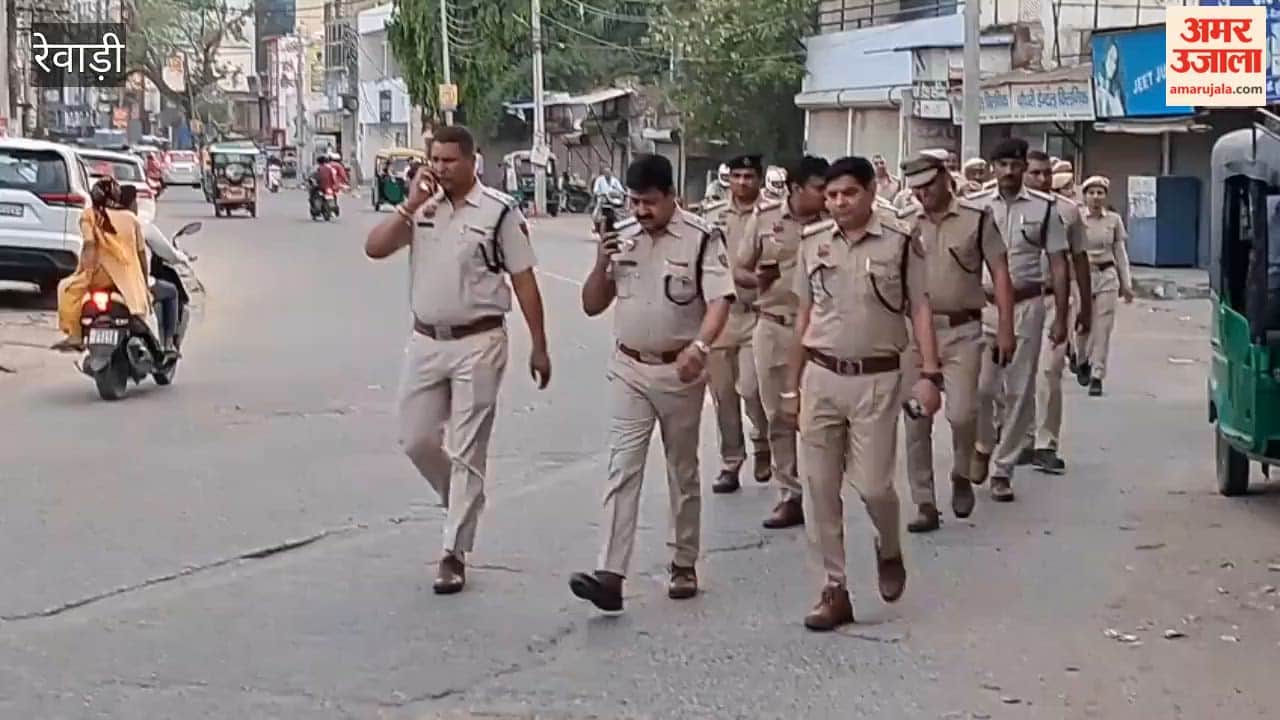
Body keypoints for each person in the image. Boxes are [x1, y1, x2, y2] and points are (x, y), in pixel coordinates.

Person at [364, 124, 552, 595]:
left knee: (469, 448)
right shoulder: (421, 210)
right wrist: (409, 204)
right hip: (426, 340)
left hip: (480, 341)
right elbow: (375, 248)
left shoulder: (498, 213)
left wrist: (540, 345)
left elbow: (525, 281)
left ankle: (453, 552)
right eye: (435, 160)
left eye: (450, 161)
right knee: (416, 439)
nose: (441, 169)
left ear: (473, 161)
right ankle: (463, 500)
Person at [783, 156, 943, 631]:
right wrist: (791, 389)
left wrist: (930, 374)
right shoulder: (813, 244)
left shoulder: (899, 242)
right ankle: (833, 590)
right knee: (819, 489)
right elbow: (803, 316)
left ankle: (888, 547)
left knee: (874, 487)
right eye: (830, 195)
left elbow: (919, 309)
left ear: (871, 192)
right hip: (821, 377)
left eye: (848, 194)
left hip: (876, 378)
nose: (838, 203)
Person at [568, 154, 733, 612]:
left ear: (671, 197)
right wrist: (600, 264)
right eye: (634, 202)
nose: (640, 211)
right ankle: (610, 574)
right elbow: (591, 305)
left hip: (679, 371)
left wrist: (699, 347)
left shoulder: (702, 238)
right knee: (623, 467)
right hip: (629, 368)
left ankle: (683, 562)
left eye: (649, 203)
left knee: (682, 468)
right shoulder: (621, 238)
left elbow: (720, 302)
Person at [898, 151, 1015, 533]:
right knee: (916, 423)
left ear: (946, 178)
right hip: (915, 334)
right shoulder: (905, 225)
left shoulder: (976, 220)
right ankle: (925, 502)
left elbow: (999, 273)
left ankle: (962, 473)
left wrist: (1007, 327)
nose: (922, 195)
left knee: (963, 413)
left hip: (963, 331)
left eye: (929, 185)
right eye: (915, 189)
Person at [968, 138, 1070, 502]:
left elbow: (1059, 262)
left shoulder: (1045, 209)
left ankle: (1002, 469)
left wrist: (1062, 317)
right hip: (985, 306)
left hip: (1028, 305)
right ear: (993, 168)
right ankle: (982, 442)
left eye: (1016, 165)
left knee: (1020, 390)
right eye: (1003, 165)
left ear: (1023, 167)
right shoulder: (975, 206)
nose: (1009, 172)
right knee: (980, 387)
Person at [733, 155, 829, 529]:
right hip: (774, 326)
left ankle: (824, 492)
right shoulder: (766, 219)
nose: (826, 196)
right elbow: (739, 268)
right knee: (776, 413)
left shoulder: (833, 222)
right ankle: (789, 494)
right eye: (819, 189)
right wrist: (756, 277)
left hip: (820, 331)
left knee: (818, 418)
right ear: (795, 189)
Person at [701, 154, 772, 493]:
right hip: (720, 316)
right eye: (737, 176)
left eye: (749, 176)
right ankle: (731, 462)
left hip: (757, 313)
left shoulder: (773, 215)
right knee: (723, 395)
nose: (743, 182)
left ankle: (762, 442)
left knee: (753, 389)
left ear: (760, 179)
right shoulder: (711, 216)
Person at [1022, 152, 1093, 474]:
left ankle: (1045, 443)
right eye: (1035, 173)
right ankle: (1016, 436)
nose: (1042, 180)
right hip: (1013, 302)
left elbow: (1080, 261)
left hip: (1055, 300)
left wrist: (1084, 309)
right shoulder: (999, 209)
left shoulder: (1067, 211)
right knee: (1010, 376)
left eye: (1046, 174)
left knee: (1048, 371)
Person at [54, 178, 151, 351]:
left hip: (99, 276)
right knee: (141, 312)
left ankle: (75, 335)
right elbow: (141, 255)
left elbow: (89, 245)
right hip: (129, 281)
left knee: (65, 288)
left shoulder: (89, 215)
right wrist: (143, 282)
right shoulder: (130, 218)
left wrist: (85, 273)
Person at [1077, 175, 1133, 396]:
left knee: (1103, 328)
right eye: (1091, 192)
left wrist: (1126, 283)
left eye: (1100, 193)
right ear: (1085, 195)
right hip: (1082, 276)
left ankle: (1097, 374)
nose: (1096, 197)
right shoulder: (1077, 219)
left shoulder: (1114, 220)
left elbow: (1120, 252)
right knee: (1082, 325)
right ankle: (1081, 359)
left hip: (1107, 275)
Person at [118, 185, 189, 352]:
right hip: (135, 283)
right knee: (171, 291)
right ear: (132, 203)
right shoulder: (140, 225)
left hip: (106, 282)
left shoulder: (104, 222)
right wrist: (183, 258)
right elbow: (168, 253)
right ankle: (169, 343)